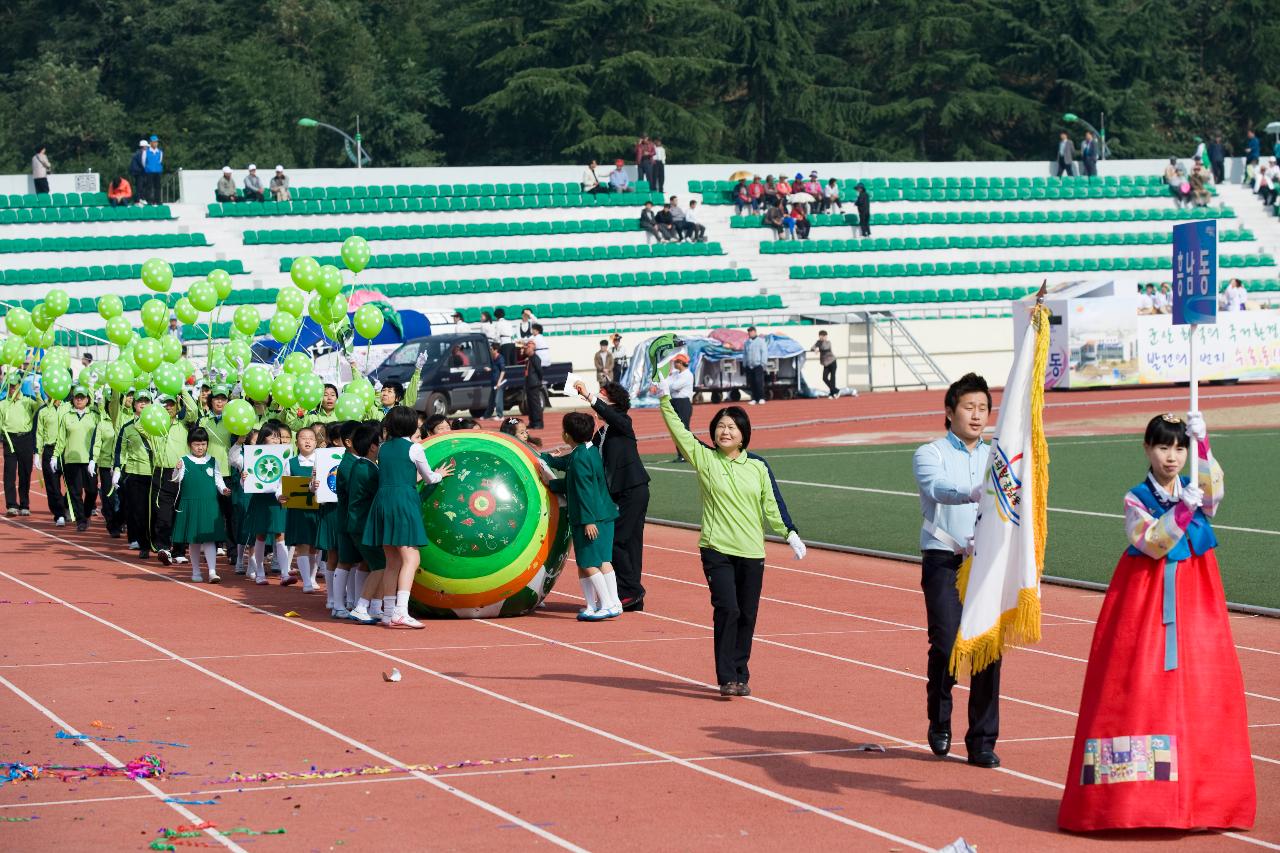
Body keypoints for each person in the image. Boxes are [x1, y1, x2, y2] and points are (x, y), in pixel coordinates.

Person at [1058, 412, 1254, 832]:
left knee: (1203, 686)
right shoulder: (1135, 499)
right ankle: (1130, 801)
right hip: (1145, 602)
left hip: (1197, 600)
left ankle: (1205, 798)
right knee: (1138, 686)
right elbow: (1151, 544)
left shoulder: (1193, 489)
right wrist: (1181, 512)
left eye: (1180, 447)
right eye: (1164, 446)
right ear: (1147, 448)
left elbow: (1214, 496)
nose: (1172, 456)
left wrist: (1205, 446)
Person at [654, 387, 805, 696]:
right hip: (717, 549)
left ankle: (740, 673)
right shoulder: (705, 459)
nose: (725, 431)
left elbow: (772, 504)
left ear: (743, 434)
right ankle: (726, 676)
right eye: (720, 426)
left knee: (747, 614)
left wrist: (789, 533)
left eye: (731, 427)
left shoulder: (758, 466)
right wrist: (665, 399)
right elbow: (680, 432)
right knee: (728, 609)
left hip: (751, 551)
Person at [912, 373, 1001, 768]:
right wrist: (970, 492)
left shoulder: (997, 455)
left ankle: (982, 740)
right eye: (969, 407)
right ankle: (940, 719)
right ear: (950, 412)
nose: (977, 415)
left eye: (983, 409)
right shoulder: (929, 453)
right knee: (947, 645)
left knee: (987, 650)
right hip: (944, 559)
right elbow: (936, 488)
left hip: (986, 563)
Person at [365, 407, 454, 629]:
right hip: (403, 501)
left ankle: (388, 612)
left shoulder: (384, 449)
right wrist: (439, 474)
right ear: (411, 425)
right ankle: (400, 612)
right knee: (411, 559)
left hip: (383, 500)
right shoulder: (414, 448)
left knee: (392, 561)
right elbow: (429, 478)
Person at [572, 380, 649, 610]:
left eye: (602, 395)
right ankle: (632, 596)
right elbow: (588, 453)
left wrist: (589, 397)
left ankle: (631, 591)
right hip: (618, 494)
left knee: (617, 542)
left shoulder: (623, 422)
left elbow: (610, 414)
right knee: (630, 543)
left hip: (633, 490)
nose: (598, 397)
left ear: (613, 401)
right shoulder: (602, 432)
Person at [542, 412, 622, 620]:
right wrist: (547, 459)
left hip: (589, 519)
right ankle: (610, 602)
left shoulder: (579, 460)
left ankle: (605, 606)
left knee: (588, 563)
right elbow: (567, 465)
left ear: (567, 435)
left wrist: (587, 521)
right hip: (604, 515)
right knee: (602, 560)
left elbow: (582, 490)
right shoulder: (589, 450)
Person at [171, 426, 231, 584]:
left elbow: (219, 480)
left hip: (209, 504)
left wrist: (224, 489)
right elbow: (176, 479)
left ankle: (212, 571)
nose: (200, 447)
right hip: (191, 504)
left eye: (203, 444)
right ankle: (196, 571)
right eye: (197, 444)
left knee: (210, 539)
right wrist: (176, 470)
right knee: (194, 540)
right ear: (190, 444)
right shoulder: (184, 461)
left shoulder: (213, 461)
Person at [237, 420, 292, 585]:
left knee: (280, 534)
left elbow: (287, 477)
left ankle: (285, 573)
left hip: (277, 500)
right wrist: (244, 478)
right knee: (260, 535)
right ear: (263, 438)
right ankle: (259, 572)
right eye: (272, 437)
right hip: (261, 499)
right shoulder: (254, 455)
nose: (276, 440)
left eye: (278, 437)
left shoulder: (286, 455)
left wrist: (282, 492)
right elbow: (247, 481)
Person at [343, 422, 388, 624]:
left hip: (360, 525)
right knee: (380, 566)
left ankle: (375, 607)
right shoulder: (367, 470)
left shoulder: (363, 466)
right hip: (362, 526)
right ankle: (362, 606)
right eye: (380, 443)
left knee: (377, 565)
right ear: (372, 446)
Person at [112, 389, 156, 555]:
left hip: (154, 473)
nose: (143, 404)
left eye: (146, 401)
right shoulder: (127, 428)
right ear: (134, 405)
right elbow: (120, 451)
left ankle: (156, 541)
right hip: (135, 474)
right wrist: (117, 469)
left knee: (155, 512)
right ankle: (143, 545)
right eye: (140, 401)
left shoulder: (158, 425)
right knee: (139, 511)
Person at [281, 426, 321, 593]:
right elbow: (281, 485)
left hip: (318, 509)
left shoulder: (321, 462)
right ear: (297, 442)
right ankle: (306, 582)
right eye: (303, 438)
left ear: (316, 442)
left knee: (316, 546)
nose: (307, 441)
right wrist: (280, 496)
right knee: (303, 545)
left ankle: (312, 577)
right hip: (299, 509)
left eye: (311, 438)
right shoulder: (290, 463)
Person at [55, 386, 100, 532]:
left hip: (89, 460)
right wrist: (55, 456)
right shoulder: (67, 416)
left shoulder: (94, 415)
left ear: (87, 399)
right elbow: (61, 439)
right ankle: (81, 520)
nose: (79, 399)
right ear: (73, 399)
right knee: (75, 492)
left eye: (82, 397)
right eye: (77, 397)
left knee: (92, 491)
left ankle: (86, 513)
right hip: (71, 459)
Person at [2, 372, 40, 517]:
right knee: (9, 473)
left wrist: (37, 393)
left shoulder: (28, 400)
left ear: (20, 386)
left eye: (15, 386)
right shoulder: (3, 403)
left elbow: (41, 406)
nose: (12, 389)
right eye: (10, 386)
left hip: (25, 439)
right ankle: (11, 505)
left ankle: (24, 504)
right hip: (9, 439)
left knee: (25, 473)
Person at [36, 392, 68, 526]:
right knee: (52, 484)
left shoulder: (68, 408)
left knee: (73, 483)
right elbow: (39, 433)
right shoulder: (43, 411)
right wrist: (37, 452)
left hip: (66, 450)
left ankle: (66, 505)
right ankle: (59, 514)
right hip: (49, 449)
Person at [665, 353, 695, 463]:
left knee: (683, 430)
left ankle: (686, 454)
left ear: (681, 363)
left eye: (676, 362)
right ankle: (681, 454)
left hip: (683, 403)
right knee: (676, 429)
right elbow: (668, 384)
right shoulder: (677, 374)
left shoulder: (687, 375)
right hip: (675, 402)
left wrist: (669, 385)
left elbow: (673, 386)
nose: (674, 363)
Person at [743, 326, 768, 405]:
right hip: (749, 365)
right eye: (749, 332)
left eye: (751, 331)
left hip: (758, 365)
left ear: (755, 332)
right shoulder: (746, 342)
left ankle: (761, 397)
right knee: (752, 382)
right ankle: (754, 398)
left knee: (758, 382)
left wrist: (763, 363)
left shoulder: (761, 341)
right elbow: (745, 354)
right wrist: (745, 363)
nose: (749, 333)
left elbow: (764, 352)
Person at [523, 340, 544, 430]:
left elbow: (540, 371)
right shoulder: (529, 359)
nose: (526, 350)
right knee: (530, 405)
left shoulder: (535, 358)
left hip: (534, 384)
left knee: (535, 405)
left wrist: (538, 381)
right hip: (529, 384)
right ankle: (532, 422)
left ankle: (538, 423)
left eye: (528, 347)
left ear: (532, 348)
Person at [811, 330, 837, 398]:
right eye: (821, 336)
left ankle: (832, 393)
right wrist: (815, 349)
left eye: (824, 336)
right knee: (824, 378)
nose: (823, 337)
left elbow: (825, 348)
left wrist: (818, 349)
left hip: (832, 362)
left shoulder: (828, 342)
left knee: (832, 378)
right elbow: (812, 348)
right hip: (826, 364)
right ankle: (835, 390)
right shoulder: (818, 342)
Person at [486, 342, 507, 419]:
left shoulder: (500, 358)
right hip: (493, 382)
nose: (490, 350)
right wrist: (489, 369)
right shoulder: (493, 358)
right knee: (491, 400)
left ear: (496, 350)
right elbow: (495, 368)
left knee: (498, 400)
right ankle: (487, 415)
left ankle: (500, 415)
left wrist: (499, 382)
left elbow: (503, 371)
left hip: (499, 383)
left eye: (491, 349)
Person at [143, 135, 164, 205]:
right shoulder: (146, 151)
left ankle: (157, 200)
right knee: (149, 186)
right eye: (154, 142)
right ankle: (149, 200)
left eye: (156, 142)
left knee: (157, 186)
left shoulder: (160, 152)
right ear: (151, 143)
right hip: (149, 171)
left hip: (157, 171)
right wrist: (148, 167)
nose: (156, 143)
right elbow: (143, 162)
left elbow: (160, 161)